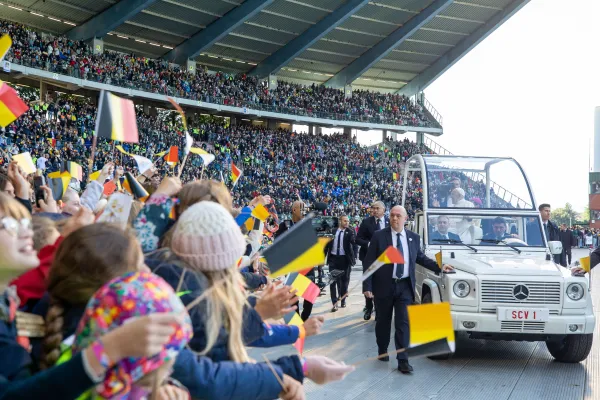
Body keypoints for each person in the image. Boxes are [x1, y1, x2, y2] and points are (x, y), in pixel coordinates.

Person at [362, 205, 454, 374]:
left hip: (404, 286)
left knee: (403, 323)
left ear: (405, 219)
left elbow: (420, 257)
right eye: (392, 216)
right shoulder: (379, 236)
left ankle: (403, 360)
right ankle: (382, 348)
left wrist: (439, 267)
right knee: (383, 321)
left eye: (398, 216)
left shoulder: (413, 237)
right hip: (384, 286)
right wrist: (367, 286)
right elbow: (369, 262)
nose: (394, 218)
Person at [356, 201, 389, 320]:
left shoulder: (389, 221)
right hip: (369, 258)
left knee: (382, 285)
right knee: (368, 284)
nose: (374, 210)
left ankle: (379, 309)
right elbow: (358, 239)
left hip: (385, 260)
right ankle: (368, 307)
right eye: (372, 208)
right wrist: (369, 244)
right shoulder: (366, 222)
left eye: (377, 208)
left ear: (383, 210)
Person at [324, 215, 355, 312]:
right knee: (332, 282)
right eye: (345, 221)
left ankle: (342, 299)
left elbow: (354, 243)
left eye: (348, 221)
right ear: (340, 221)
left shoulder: (350, 231)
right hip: (333, 259)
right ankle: (334, 303)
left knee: (344, 281)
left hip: (344, 260)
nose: (347, 223)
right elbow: (326, 245)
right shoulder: (332, 231)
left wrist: (353, 258)